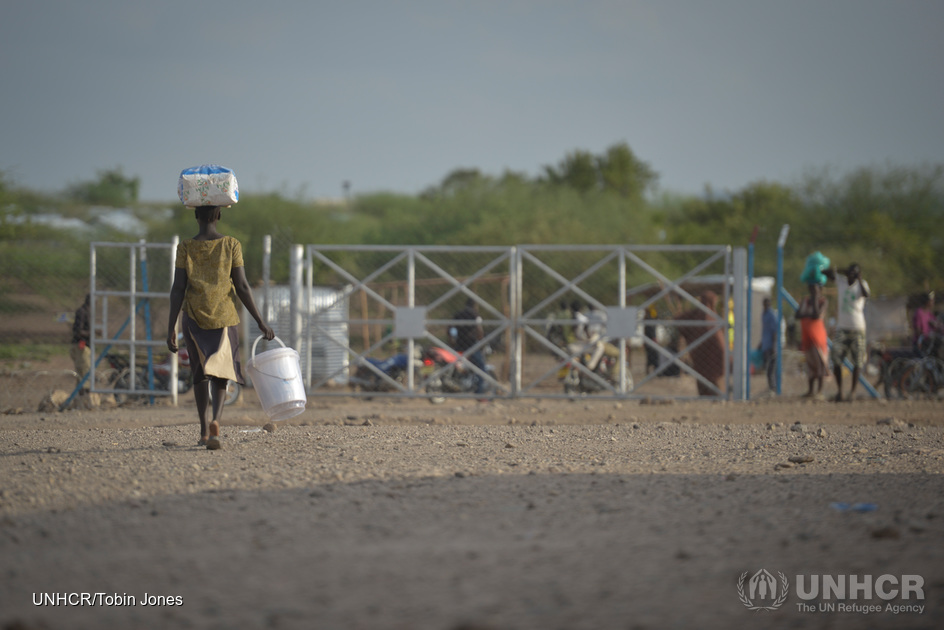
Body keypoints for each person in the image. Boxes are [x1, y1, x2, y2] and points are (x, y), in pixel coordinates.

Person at [167, 205, 274, 449]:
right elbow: (243, 286)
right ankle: (216, 421)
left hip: (193, 318)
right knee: (221, 375)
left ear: (196, 216)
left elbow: (177, 289)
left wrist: (171, 326)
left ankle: (204, 430)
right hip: (223, 319)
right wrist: (260, 321)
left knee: (199, 374)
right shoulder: (231, 245)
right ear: (219, 216)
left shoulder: (185, 247)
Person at [830, 264, 870, 402]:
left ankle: (852, 392)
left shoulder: (862, 284)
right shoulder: (841, 281)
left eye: (855, 273)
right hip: (842, 328)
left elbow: (867, 295)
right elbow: (827, 272)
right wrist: (842, 270)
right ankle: (840, 391)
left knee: (858, 361)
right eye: (850, 273)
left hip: (858, 328)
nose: (852, 276)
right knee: (835, 356)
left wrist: (859, 280)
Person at [675, 291, 726, 396]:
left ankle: (709, 396)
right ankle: (716, 397)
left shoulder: (697, 315)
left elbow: (678, 320)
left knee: (704, 378)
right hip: (709, 356)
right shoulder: (709, 317)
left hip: (701, 355)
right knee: (713, 379)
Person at [796, 283, 829, 398]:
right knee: (810, 364)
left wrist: (815, 299)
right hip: (806, 336)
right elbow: (797, 314)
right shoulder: (805, 301)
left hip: (818, 336)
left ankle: (819, 391)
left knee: (819, 362)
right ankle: (810, 390)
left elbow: (817, 315)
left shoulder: (822, 302)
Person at [452, 296, 486, 394]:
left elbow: (449, 329)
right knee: (480, 366)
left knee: (457, 365)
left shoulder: (458, 314)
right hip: (471, 345)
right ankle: (479, 392)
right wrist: (482, 341)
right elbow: (479, 330)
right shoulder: (475, 315)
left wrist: (452, 341)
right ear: (475, 305)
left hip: (459, 344)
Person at [71, 294, 91, 391]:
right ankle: (85, 397)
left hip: (85, 346)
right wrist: (92, 333)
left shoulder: (88, 311)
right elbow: (78, 331)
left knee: (82, 374)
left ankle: (80, 400)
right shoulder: (82, 312)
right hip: (81, 345)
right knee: (84, 373)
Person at [759, 297, 778, 390]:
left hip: (771, 345)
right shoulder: (764, 314)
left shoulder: (771, 315)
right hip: (766, 344)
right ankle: (771, 386)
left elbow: (774, 331)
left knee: (772, 367)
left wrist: (774, 345)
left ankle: (774, 386)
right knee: (768, 367)